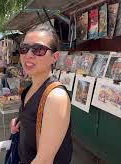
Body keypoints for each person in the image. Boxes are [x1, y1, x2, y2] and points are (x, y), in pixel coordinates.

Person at [10, 23, 73, 164]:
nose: (29, 55)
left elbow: (44, 160)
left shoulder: (55, 96)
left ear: (55, 57)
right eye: (24, 49)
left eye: (38, 50)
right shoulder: (30, 88)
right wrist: (21, 121)